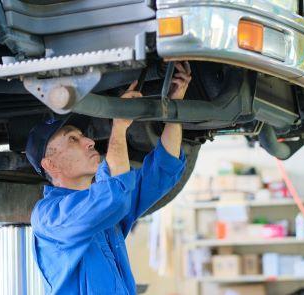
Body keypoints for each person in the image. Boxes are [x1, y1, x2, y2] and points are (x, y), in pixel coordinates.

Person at [25, 62, 192, 295]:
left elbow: (163, 171)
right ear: (50, 165)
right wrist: (119, 127)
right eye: (72, 139)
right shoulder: (48, 217)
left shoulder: (104, 205)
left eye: (82, 135)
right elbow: (111, 195)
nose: (89, 141)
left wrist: (175, 105)